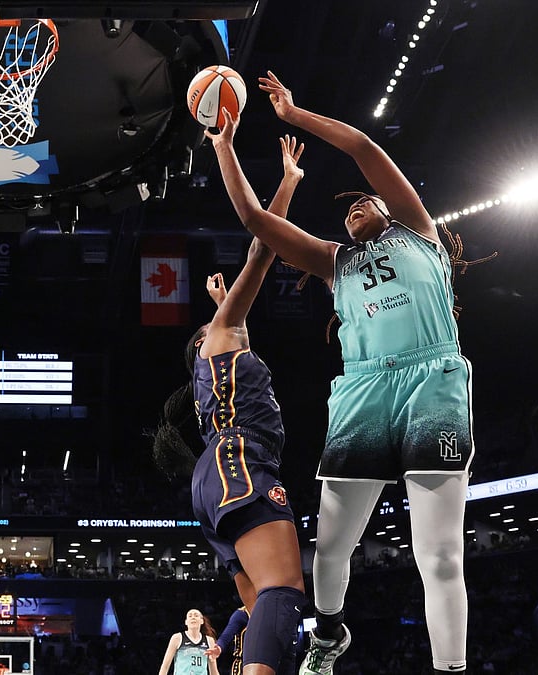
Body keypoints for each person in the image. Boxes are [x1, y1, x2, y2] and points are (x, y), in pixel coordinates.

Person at [204, 70, 482, 674]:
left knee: (438, 556)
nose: (358, 204)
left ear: (396, 213)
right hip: (362, 390)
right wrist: (224, 144)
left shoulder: (421, 237)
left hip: (431, 382)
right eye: (352, 206)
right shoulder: (334, 262)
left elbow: (363, 149)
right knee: (329, 550)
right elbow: (255, 220)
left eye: (367, 201)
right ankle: (329, 635)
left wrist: (295, 114)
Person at [151, 134, 307, 675]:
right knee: (284, 586)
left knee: (258, 603)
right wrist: (287, 182)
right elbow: (263, 248)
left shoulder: (218, 357)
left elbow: (239, 325)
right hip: (239, 461)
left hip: (214, 476)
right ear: (208, 335)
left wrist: (222, 308)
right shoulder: (221, 337)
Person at [157, 608, 220, 675]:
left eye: (196, 615)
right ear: (186, 622)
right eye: (190, 616)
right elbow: (165, 666)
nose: (193, 617)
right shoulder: (177, 638)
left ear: (202, 621)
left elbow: (213, 670)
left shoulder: (209, 640)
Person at [212, 605, 251, 675]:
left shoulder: (272, 613)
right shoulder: (242, 614)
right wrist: (219, 647)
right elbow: (226, 635)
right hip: (244, 665)